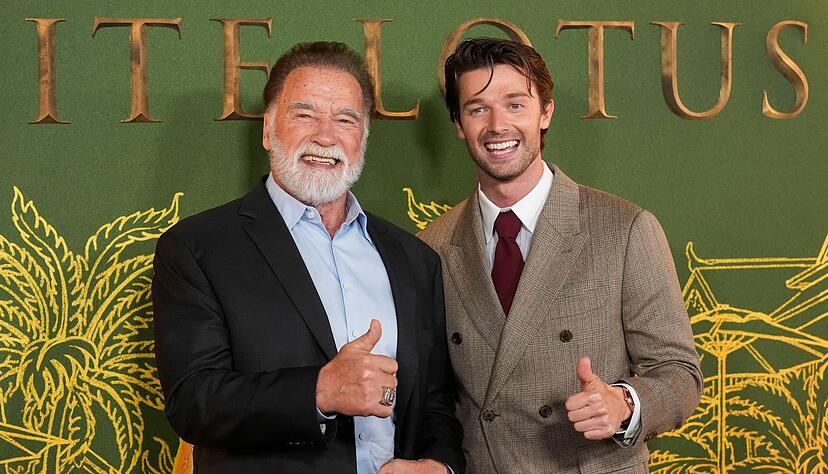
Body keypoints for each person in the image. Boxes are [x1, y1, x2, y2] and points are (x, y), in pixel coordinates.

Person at [153, 41, 464, 474]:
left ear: (363, 138)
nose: (325, 135)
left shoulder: (413, 258)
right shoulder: (197, 248)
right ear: (267, 129)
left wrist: (439, 465)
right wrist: (320, 390)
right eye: (304, 114)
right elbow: (194, 402)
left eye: (346, 119)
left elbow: (435, 400)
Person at [418, 37, 702, 473]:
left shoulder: (625, 228)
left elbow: (679, 372)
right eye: (478, 109)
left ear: (545, 112)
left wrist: (626, 403)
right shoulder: (432, 246)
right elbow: (434, 396)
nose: (497, 126)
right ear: (459, 123)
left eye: (515, 104)